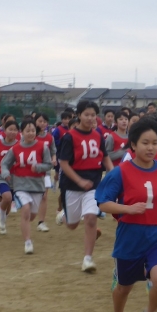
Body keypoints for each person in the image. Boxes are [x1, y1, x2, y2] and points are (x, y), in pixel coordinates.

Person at [95, 116, 157, 312]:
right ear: (133, 144)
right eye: (145, 142)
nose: (151, 147)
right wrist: (128, 208)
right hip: (130, 236)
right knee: (124, 288)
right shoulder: (120, 172)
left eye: (155, 142)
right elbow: (103, 203)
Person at [56, 100, 113, 272]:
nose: (90, 118)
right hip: (72, 186)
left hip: (93, 184)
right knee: (72, 225)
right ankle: (64, 215)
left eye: (93, 115)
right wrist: (79, 181)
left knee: (91, 218)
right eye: (86, 114)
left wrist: (113, 172)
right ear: (79, 115)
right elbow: (64, 163)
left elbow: (105, 157)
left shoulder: (97, 135)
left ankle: (87, 259)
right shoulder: (69, 137)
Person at [1, 120, 52, 254]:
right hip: (20, 184)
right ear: (21, 132)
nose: (30, 133)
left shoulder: (43, 147)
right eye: (27, 131)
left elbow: (49, 164)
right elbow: (4, 163)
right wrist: (6, 173)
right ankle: (28, 242)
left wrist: (39, 167)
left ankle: (26, 228)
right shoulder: (16, 148)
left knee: (32, 215)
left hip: (37, 185)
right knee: (25, 210)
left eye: (33, 131)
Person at [0, 120, 19, 235]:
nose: (12, 132)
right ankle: (1, 216)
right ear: (4, 130)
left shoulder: (20, 144)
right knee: (7, 197)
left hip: (15, 177)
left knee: (9, 202)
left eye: (15, 130)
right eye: (10, 129)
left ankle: (3, 217)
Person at [33, 113, 57, 232]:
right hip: (30, 170)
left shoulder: (49, 138)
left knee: (44, 196)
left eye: (44, 121)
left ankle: (41, 222)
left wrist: (53, 158)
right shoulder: (30, 136)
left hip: (45, 171)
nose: (42, 124)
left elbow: (53, 151)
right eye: (40, 121)